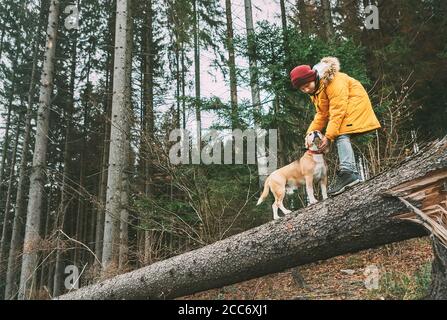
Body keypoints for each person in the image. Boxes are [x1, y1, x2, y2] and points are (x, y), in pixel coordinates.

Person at [290, 57, 381, 196]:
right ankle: (351, 174)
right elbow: (322, 114)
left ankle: (348, 172)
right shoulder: (316, 90)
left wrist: (328, 136)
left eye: (307, 85)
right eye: (302, 89)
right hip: (344, 108)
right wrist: (309, 135)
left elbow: (337, 111)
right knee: (339, 133)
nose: (306, 90)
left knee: (340, 134)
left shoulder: (333, 81)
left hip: (354, 104)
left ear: (313, 77)